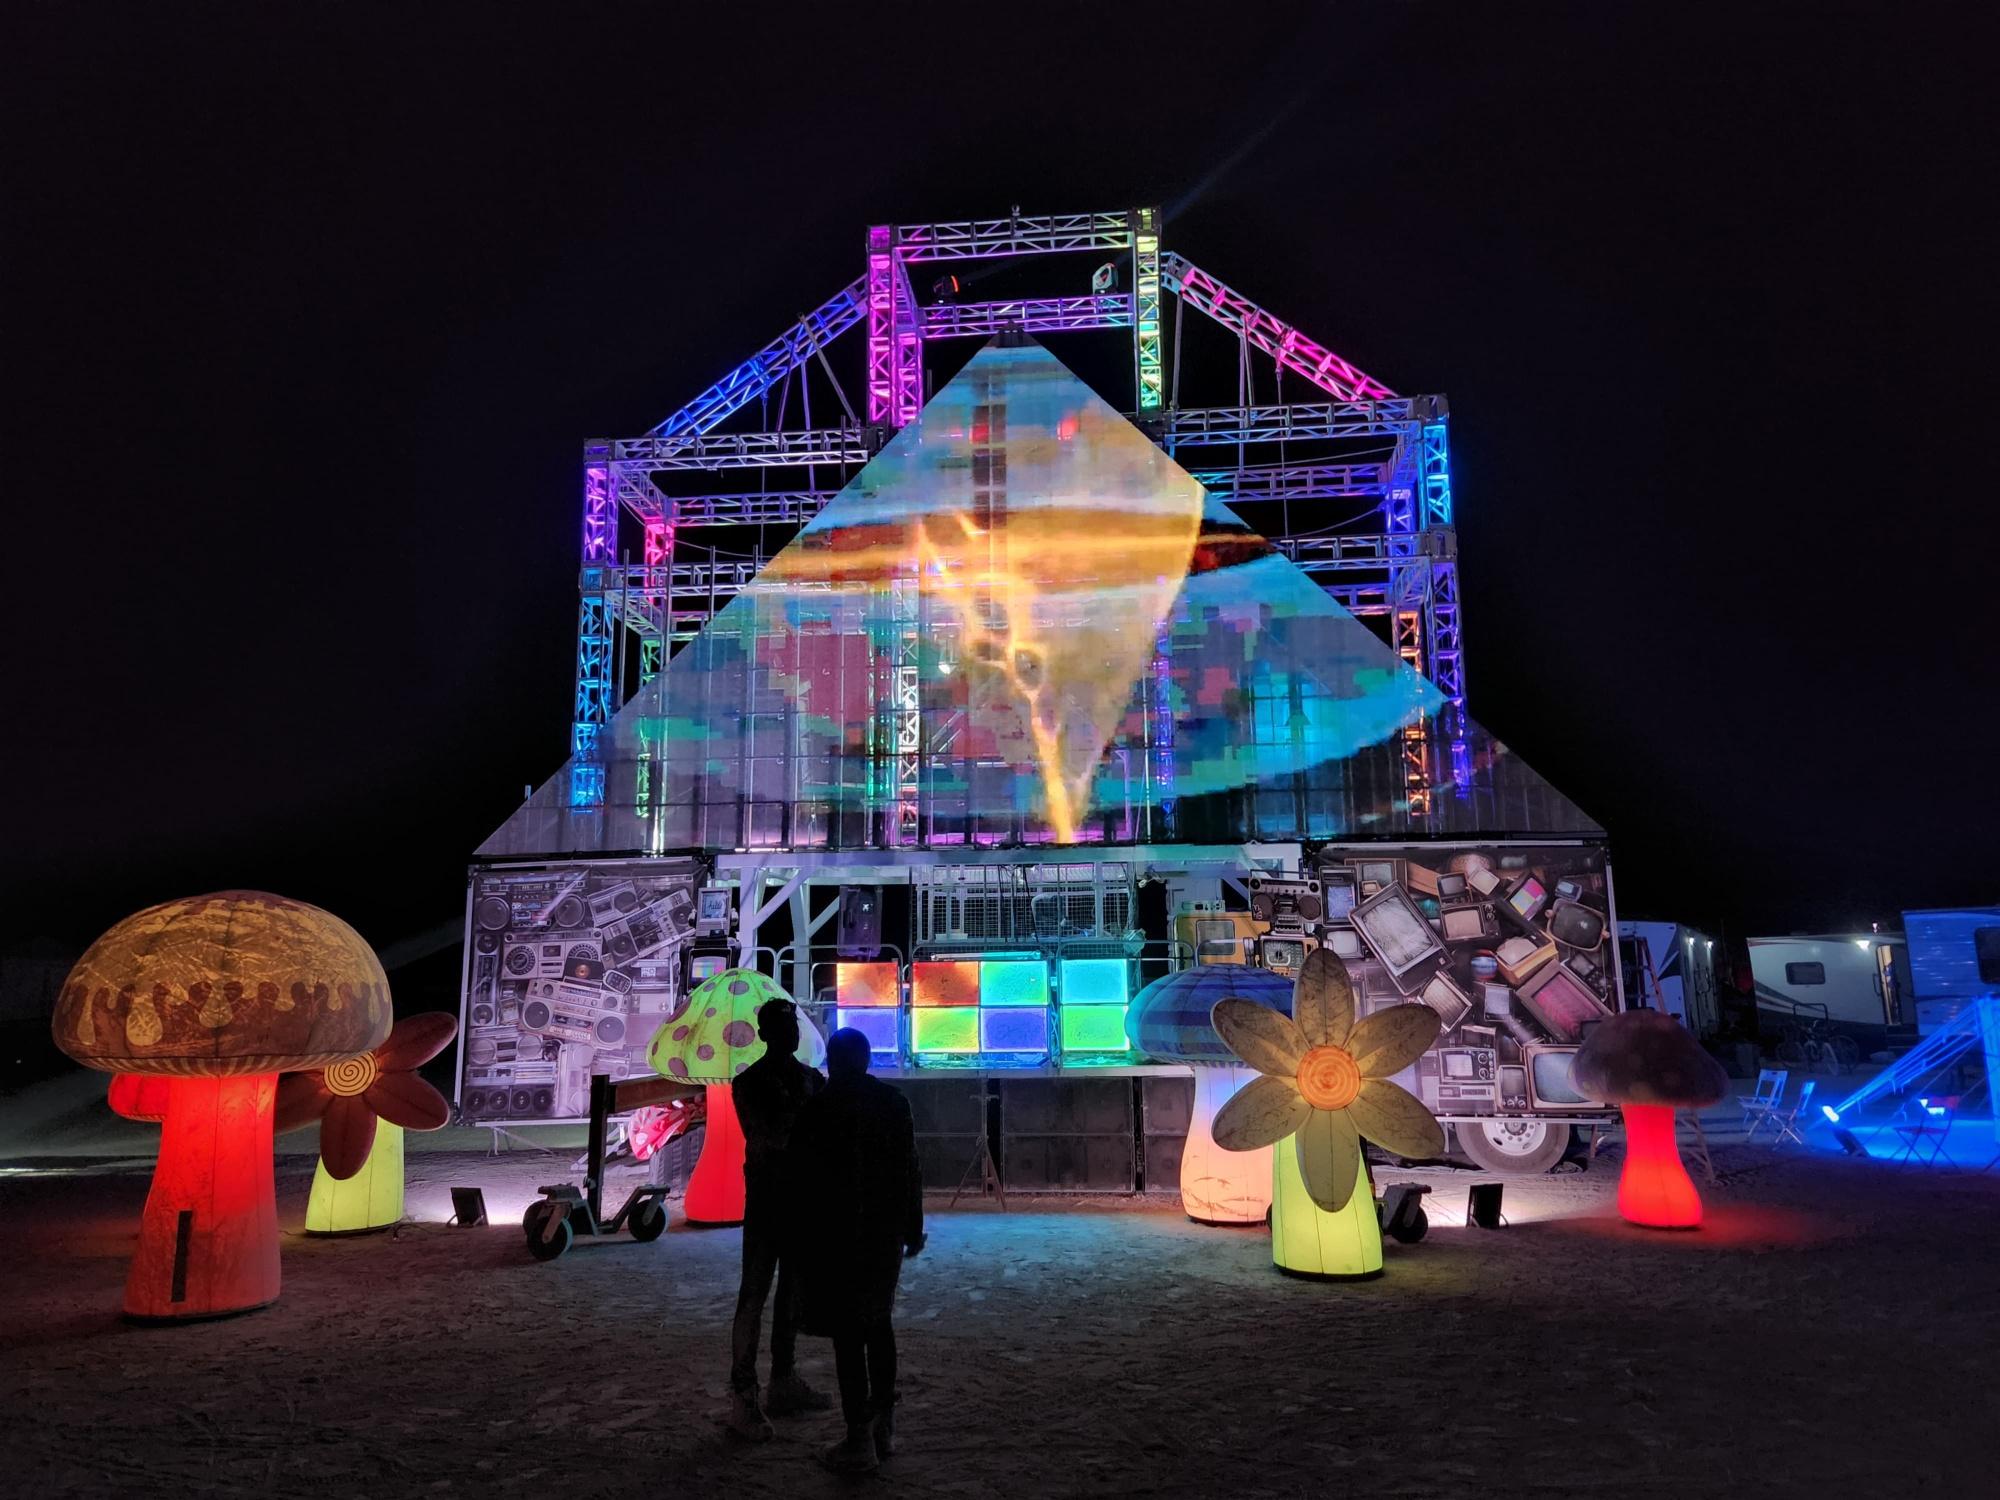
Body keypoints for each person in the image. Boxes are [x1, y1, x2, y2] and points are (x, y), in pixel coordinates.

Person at [793, 1027, 925, 1474]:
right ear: (867, 1060)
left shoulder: (817, 1108)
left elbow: (804, 1180)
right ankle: (885, 1425)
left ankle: (858, 1437)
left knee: (848, 1336)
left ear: (831, 1061)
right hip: (883, 1235)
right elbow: (910, 1170)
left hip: (835, 1236)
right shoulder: (894, 1103)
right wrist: (913, 1226)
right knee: (879, 1324)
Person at [726, 996, 828, 1439]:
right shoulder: (753, 1083)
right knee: (755, 1294)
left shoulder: (807, 1080)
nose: (790, 1034)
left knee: (789, 1293)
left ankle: (781, 1381)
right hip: (770, 1204)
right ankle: (744, 1394)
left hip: (795, 1202)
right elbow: (768, 1138)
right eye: (784, 1028)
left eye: (793, 1028)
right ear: (766, 1034)